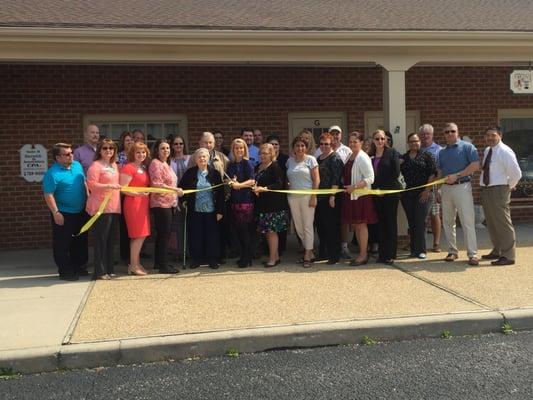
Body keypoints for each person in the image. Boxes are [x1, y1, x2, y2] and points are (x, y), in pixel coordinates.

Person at [43, 143, 88, 281]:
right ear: (58, 157)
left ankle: (78, 267)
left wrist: (89, 198)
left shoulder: (77, 166)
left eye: (71, 152)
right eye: (67, 154)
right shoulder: (52, 173)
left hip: (81, 211)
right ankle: (65, 270)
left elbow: (83, 182)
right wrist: (56, 212)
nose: (71, 156)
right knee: (63, 243)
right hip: (63, 213)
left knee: (79, 241)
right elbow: (48, 194)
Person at [438, 122, 480, 266]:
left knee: (467, 221)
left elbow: (475, 165)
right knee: (448, 221)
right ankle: (452, 251)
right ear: (444, 134)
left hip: (462, 186)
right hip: (446, 188)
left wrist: (457, 175)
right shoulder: (441, 152)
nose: (450, 134)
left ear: (457, 132)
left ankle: (473, 254)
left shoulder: (467, 147)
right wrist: (438, 186)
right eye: (447, 132)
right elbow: (440, 171)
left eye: (452, 131)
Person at [479, 126, 522, 266]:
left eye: (493, 135)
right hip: (487, 189)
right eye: (488, 135)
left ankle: (508, 255)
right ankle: (498, 250)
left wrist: (508, 187)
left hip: (500, 190)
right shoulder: (487, 150)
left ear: (500, 136)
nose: (490, 138)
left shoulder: (505, 151)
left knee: (503, 223)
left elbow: (516, 173)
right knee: (491, 222)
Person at [180, 148, 225, 269]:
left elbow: (221, 193)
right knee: (196, 235)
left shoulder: (214, 173)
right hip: (195, 210)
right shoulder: (190, 173)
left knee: (212, 236)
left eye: (204, 156)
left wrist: (220, 211)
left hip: (211, 210)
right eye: (199, 157)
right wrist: (183, 200)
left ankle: (212, 259)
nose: (202, 159)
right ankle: (196, 259)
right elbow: (182, 189)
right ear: (195, 159)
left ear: (208, 158)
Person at [86, 139, 121, 280]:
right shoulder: (95, 166)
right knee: (100, 240)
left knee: (110, 240)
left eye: (111, 148)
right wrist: (107, 186)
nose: (108, 151)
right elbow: (91, 184)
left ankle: (109, 268)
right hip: (101, 207)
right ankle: (99, 271)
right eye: (105, 148)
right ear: (100, 150)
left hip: (114, 206)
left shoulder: (114, 165)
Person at [400, 133, 437, 259]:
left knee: (420, 222)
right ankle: (413, 249)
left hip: (423, 194)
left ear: (420, 142)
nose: (413, 143)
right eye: (411, 141)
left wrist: (427, 190)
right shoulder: (404, 158)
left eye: (415, 141)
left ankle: (421, 250)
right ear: (408, 143)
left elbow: (433, 174)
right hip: (408, 194)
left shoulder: (427, 155)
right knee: (412, 222)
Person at [342, 132, 377, 266]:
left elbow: (370, 178)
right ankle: (361, 253)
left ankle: (363, 255)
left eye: (355, 141)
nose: (352, 144)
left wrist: (355, 187)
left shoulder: (363, 157)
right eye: (350, 142)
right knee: (356, 225)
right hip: (352, 196)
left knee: (361, 226)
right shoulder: (350, 156)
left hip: (360, 197)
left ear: (361, 143)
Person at [149, 139, 184, 274]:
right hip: (161, 204)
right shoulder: (155, 164)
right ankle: (164, 265)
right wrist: (176, 190)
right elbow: (157, 184)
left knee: (163, 234)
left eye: (168, 148)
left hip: (169, 203)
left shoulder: (166, 164)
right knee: (164, 235)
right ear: (157, 150)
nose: (166, 151)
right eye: (163, 148)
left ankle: (159, 263)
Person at [286, 135, 320, 268]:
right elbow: (288, 179)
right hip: (293, 197)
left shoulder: (311, 160)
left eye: (302, 146)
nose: (300, 148)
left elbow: (316, 180)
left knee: (307, 226)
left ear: (306, 148)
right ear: (293, 148)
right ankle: (310, 252)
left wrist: (313, 196)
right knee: (299, 227)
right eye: (297, 146)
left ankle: (307, 253)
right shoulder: (289, 161)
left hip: (307, 197)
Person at [253, 144, 289, 267]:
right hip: (262, 205)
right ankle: (275, 256)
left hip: (274, 205)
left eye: (265, 153)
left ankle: (272, 259)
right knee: (267, 232)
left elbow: (279, 184)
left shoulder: (276, 166)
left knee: (272, 232)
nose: (262, 155)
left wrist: (265, 188)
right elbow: (255, 181)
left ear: (271, 154)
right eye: (261, 153)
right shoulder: (258, 167)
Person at [370, 129, 401, 265]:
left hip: (390, 193)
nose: (380, 141)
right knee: (380, 224)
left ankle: (390, 254)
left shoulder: (392, 152)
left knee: (390, 223)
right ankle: (382, 255)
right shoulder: (370, 155)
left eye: (382, 139)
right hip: (376, 194)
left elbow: (395, 173)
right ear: (373, 141)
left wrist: (383, 189)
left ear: (386, 140)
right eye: (377, 139)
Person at [120, 141, 151, 276]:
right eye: (138, 152)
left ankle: (135, 263)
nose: (141, 154)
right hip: (133, 204)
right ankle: (133, 265)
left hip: (142, 204)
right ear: (132, 153)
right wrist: (138, 194)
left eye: (143, 152)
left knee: (138, 236)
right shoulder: (129, 167)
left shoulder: (143, 168)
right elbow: (123, 188)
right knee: (139, 235)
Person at [227, 139, 256, 268]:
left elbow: (252, 181)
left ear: (245, 149)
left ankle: (247, 257)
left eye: (241, 148)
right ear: (233, 150)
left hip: (245, 201)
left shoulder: (247, 163)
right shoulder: (231, 164)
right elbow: (229, 179)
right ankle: (243, 255)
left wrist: (239, 185)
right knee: (238, 230)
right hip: (234, 201)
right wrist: (231, 182)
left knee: (245, 230)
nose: (239, 150)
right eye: (236, 148)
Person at [315, 133, 344, 264]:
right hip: (319, 198)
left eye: (326, 144)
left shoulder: (335, 158)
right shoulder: (319, 158)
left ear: (331, 144)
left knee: (332, 227)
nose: (324, 146)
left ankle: (334, 255)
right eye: (321, 144)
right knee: (321, 227)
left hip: (331, 198)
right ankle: (323, 253)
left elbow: (336, 178)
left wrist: (332, 195)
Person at [419, 123, 443, 252]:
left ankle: (436, 243)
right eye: (423, 134)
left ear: (432, 135)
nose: (425, 136)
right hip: (419, 188)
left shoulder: (439, 150)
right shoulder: (418, 148)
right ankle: (419, 242)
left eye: (427, 134)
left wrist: (438, 188)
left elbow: (439, 171)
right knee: (420, 216)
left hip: (433, 187)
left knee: (434, 215)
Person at [170, 135, 191, 263]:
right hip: (174, 196)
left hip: (188, 195)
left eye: (181, 144)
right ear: (172, 146)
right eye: (176, 144)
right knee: (176, 225)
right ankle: (176, 252)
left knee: (188, 224)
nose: (178, 146)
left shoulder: (190, 159)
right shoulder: (170, 161)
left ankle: (188, 250)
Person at [117, 131, 134, 263]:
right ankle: (125, 254)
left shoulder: (136, 156)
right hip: (123, 194)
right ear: (122, 142)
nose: (130, 142)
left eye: (131, 140)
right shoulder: (119, 157)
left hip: (137, 193)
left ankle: (137, 251)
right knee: (125, 225)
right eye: (127, 140)